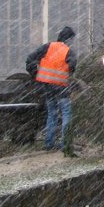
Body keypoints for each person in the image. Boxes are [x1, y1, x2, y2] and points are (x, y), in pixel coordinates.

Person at [26, 26, 78, 156]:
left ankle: (49, 143)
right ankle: (65, 143)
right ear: (69, 39)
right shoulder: (69, 51)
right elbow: (72, 67)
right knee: (66, 114)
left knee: (52, 114)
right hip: (62, 88)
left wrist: (35, 74)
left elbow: (30, 59)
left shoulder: (47, 47)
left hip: (48, 87)